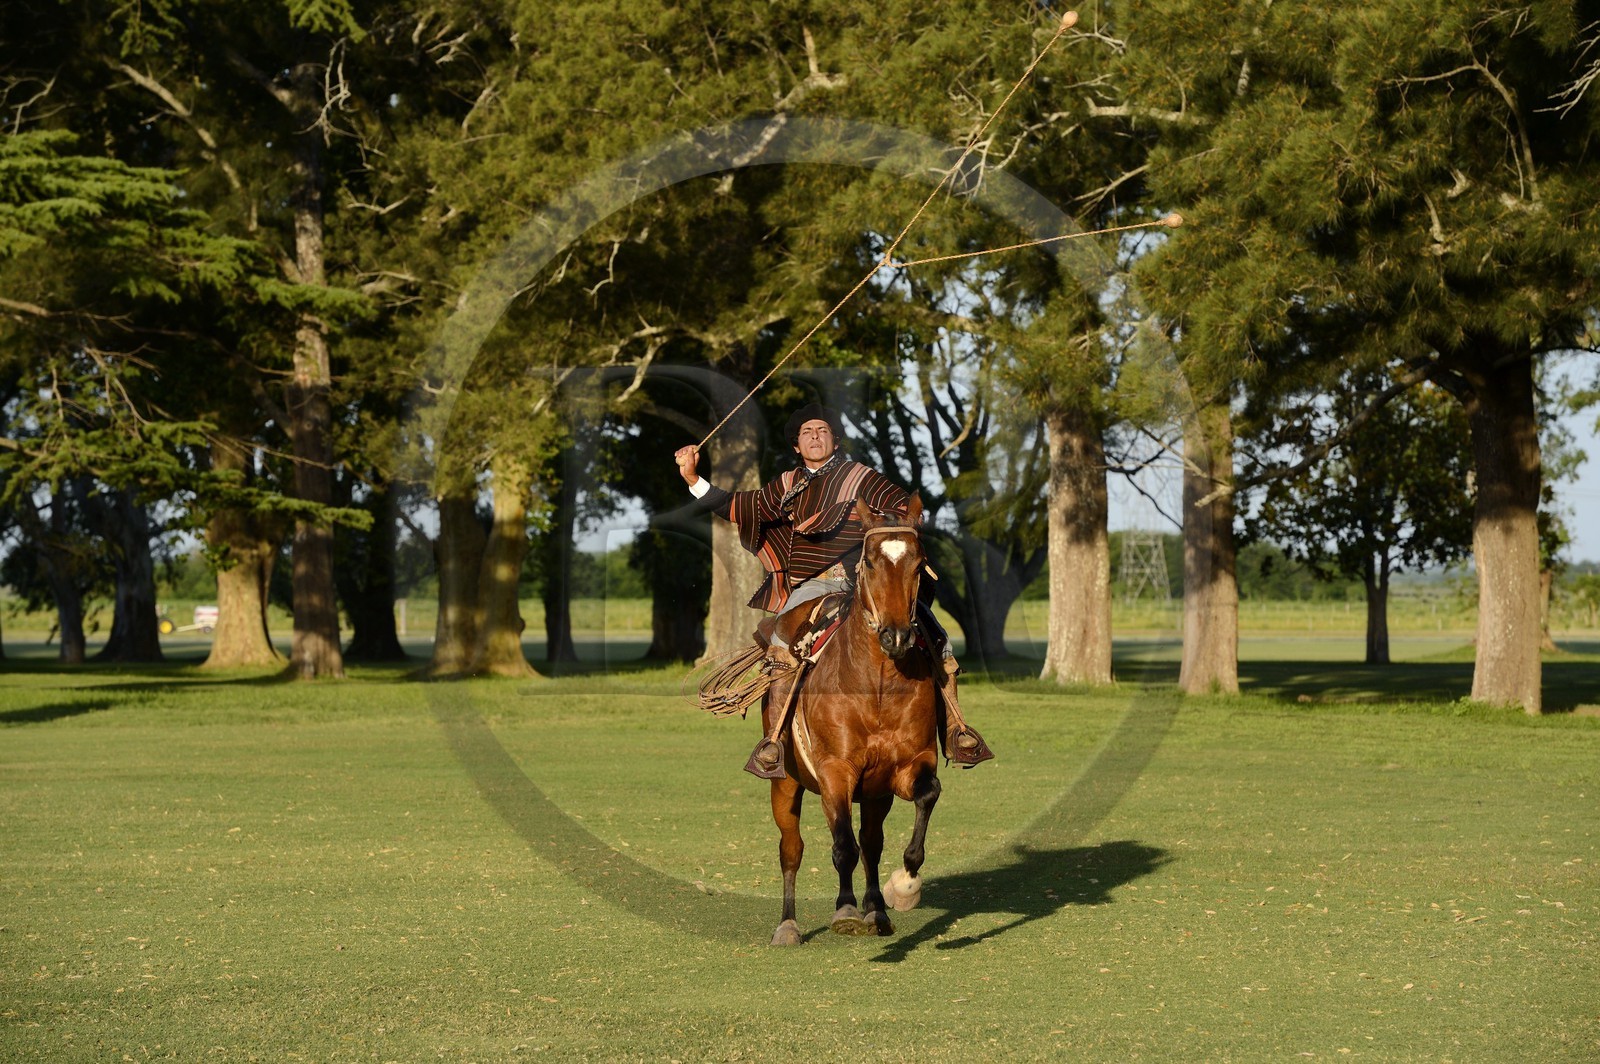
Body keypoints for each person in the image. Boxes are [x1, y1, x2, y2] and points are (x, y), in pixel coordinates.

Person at [674, 402, 992, 777]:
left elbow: (902, 508)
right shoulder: (787, 485)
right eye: (807, 432)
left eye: (822, 431)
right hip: (813, 586)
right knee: (780, 644)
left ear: (834, 440)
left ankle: (956, 729)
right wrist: (693, 478)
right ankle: (774, 741)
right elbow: (738, 507)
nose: (814, 437)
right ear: (796, 445)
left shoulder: (861, 477)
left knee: (935, 637)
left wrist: (887, 526)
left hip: (864, 583)